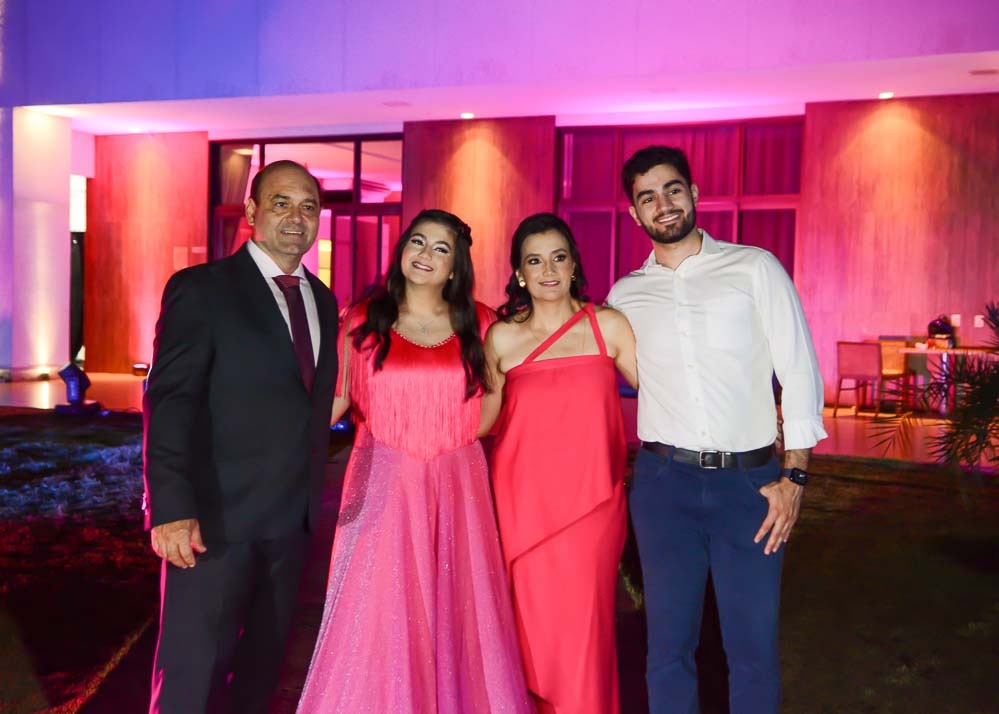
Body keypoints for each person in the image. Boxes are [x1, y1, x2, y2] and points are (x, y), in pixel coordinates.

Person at [607, 146, 827, 714]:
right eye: (647, 197)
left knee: (751, 650)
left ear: (694, 194)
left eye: (672, 189)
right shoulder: (625, 296)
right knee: (667, 648)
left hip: (749, 485)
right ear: (634, 213)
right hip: (663, 485)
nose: (663, 204)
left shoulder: (755, 268)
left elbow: (799, 368)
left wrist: (795, 476)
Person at [296, 209, 533, 713]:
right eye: (418, 242)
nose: (425, 254)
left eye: (441, 248)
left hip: (457, 482)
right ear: (402, 249)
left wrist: (453, 441)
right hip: (382, 482)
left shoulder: (482, 323)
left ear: (456, 266)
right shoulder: (361, 320)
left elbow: (493, 403)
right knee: (378, 606)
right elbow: (335, 401)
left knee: (459, 605)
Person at [143, 160, 339, 713]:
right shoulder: (202, 289)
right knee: (191, 678)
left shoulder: (323, 301)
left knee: (260, 678)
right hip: (213, 524)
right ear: (252, 211)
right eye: (281, 203)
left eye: (308, 207)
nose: (296, 217)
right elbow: (170, 402)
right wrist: (170, 509)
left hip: (290, 528)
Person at [481, 212, 638, 714]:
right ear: (519, 273)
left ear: (573, 265)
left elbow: (666, 396)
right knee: (527, 630)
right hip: (521, 506)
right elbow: (481, 420)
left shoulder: (608, 326)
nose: (547, 270)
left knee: (583, 631)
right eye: (534, 261)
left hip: (592, 505)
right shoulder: (501, 338)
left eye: (558, 257)